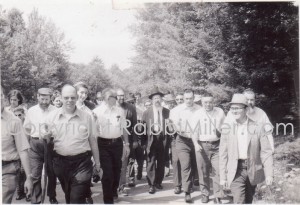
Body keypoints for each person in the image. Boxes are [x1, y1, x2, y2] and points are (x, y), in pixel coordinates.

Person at [42, 84, 101, 204]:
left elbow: (93, 141)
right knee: (69, 196)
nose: (70, 100)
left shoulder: (87, 117)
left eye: (73, 97)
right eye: (66, 97)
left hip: (82, 163)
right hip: (60, 163)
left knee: (76, 198)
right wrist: (45, 135)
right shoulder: (51, 117)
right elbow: (47, 139)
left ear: (76, 97)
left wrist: (98, 164)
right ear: (61, 97)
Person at [219, 94, 273, 204]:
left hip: (252, 169)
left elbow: (266, 153)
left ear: (246, 109)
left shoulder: (257, 127)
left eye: (237, 108)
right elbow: (223, 154)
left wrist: (269, 174)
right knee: (239, 200)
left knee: (248, 200)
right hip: (235, 170)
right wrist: (223, 176)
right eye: (232, 108)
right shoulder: (227, 128)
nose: (234, 111)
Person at [93, 88, 130, 204]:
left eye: (115, 96)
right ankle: (108, 200)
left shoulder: (120, 111)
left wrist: (127, 144)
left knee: (116, 170)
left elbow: (124, 129)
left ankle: (114, 190)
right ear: (106, 98)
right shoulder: (96, 112)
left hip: (117, 144)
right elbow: (93, 133)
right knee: (107, 173)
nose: (116, 98)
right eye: (113, 97)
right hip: (103, 144)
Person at [23, 87, 58, 204]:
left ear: (50, 99)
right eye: (42, 99)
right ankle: (36, 199)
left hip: (50, 144)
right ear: (37, 97)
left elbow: (60, 129)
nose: (44, 102)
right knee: (35, 174)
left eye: (47, 99)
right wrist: (26, 147)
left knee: (52, 173)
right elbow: (27, 129)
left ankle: (52, 195)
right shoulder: (31, 110)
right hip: (35, 145)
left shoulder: (56, 110)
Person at [191, 92, 225, 203]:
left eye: (210, 102)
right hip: (202, 145)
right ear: (202, 102)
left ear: (213, 102)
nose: (208, 104)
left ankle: (218, 195)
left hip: (217, 145)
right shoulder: (197, 113)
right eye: (205, 102)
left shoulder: (220, 112)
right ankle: (205, 193)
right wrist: (196, 144)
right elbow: (194, 131)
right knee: (203, 171)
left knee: (218, 171)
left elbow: (226, 128)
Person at [1, 86, 33, 204]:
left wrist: (29, 178)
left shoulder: (15, 120)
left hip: (7, 169)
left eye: (0, 95)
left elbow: (23, 150)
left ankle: (21, 191)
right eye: (11, 99)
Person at [169, 89, 201, 203]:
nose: (188, 101)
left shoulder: (200, 109)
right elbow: (175, 126)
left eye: (190, 98)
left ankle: (193, 184)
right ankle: (187, 192)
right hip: (182, 140)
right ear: (183, 98)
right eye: (186, 98)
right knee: (185, 165)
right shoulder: (176, 110)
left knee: (195, 164)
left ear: (194, 98)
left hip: (196, 140)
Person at [141, 86, 170, 194]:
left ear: (161, 99)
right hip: (151, 139)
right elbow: (142, 128)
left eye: (158, 98)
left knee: (161, 162)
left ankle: (158, 182)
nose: (157, 100)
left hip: (163, 139)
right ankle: (151, 184)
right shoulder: (146, 112)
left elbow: (170, 127)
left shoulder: (167, 111)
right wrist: (143, 142)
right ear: (151, 100)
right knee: (151, 162)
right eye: (155, 98)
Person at [116, 89, 138, 196]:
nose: (121, 98)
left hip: (127, 138)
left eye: (122, 96)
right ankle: (113, 186)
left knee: (127, 162)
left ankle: (122, 186)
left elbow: (134, 126)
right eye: (118, 96)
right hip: (113, 139)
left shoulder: (131, 108)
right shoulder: (112, 108)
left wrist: (134, 140)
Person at [13, 106, 30, 201]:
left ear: (23, 115)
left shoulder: (27, 126)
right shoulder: (13, 126)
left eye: (20, 115)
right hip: (17, 153)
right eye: (15, 115)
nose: (18, 117)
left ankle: (29, 192)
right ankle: (20, 192)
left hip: (27, 153)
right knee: (19, 173)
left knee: (26, 172)